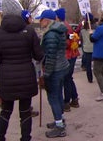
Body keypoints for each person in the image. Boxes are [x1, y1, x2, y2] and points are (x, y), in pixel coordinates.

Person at [0, 0, 44, 141]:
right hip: (26, 76)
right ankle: (25, 138)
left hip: (7, 78)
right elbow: (39, 55)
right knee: (25, 111)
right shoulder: (29, 31)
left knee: (5, 111)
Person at [35, 9, 69, 138]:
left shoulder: (50, 34)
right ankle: (60, 120)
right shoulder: (59, 31)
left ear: (47, 20)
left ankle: (59, 127)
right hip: (62, 67)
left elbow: (50, 57)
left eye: (41, 19)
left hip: (54, 70)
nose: (40, 22)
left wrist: (46, 74)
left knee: (53, 97)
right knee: (58, 95)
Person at [55, 8, 80, 112]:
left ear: (57, 17)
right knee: (69, 78)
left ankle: (66, 102)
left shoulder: (62, 27)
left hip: (68, 56)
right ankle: (74, 99)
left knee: (66, 79)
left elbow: (67, 43)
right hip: (72, 55)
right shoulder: (66, 25)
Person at [21, 10, 41, 118]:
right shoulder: (29, 30)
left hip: (12, 68)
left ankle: (26, 108)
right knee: (25, 92)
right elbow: (37, 52)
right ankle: (26, 109)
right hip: (26, 64)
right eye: (30, 17)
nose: (31, 19)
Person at [81, 12, 96, 83]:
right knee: (96, 64)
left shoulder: (82, 29)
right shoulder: (96, 28)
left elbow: (81, 40)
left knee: (88, 66)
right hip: (95, 48)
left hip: (86, 49)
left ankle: (90, 79)